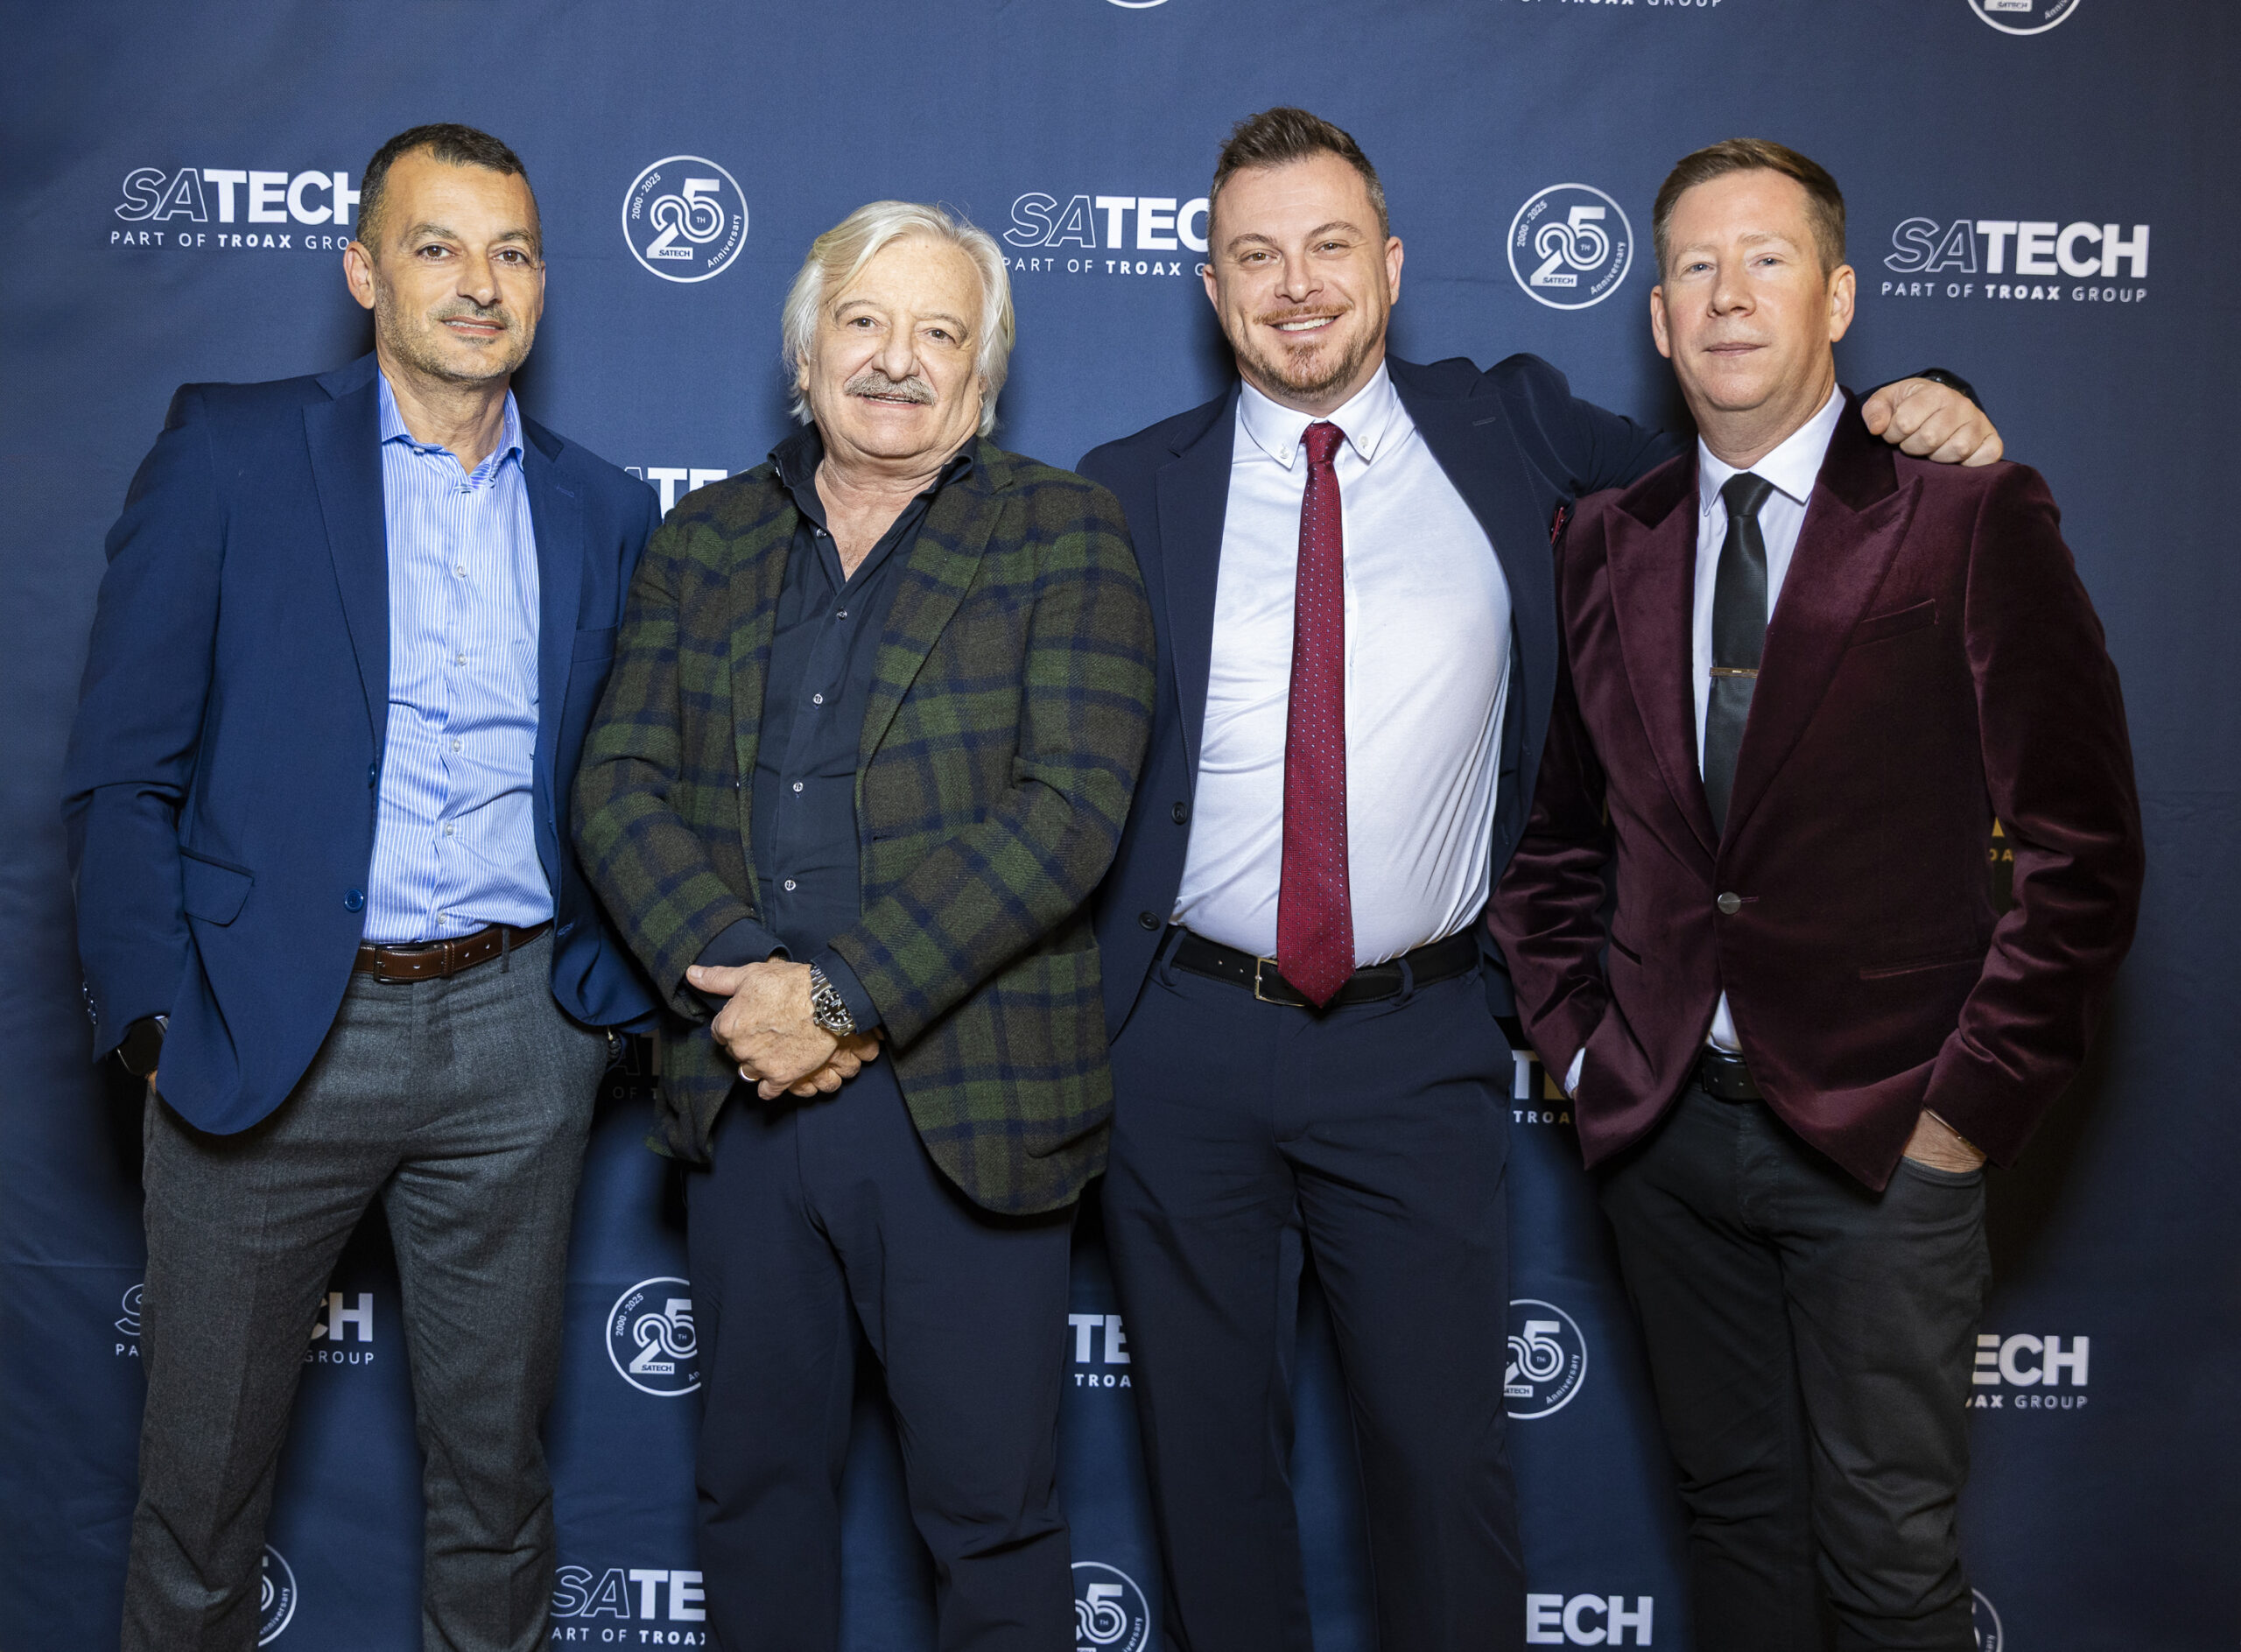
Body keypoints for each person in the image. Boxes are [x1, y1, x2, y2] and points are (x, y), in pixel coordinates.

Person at [1076, 107, 2006, 1652]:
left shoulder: (1515, 426)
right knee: (1206, 1464)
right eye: (1255, 255)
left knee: (1446, 1470)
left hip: (1420, 1041)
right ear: (1212, 287)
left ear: (1390, 264)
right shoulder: (1122, 484)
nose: (1295, 285)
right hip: (1175, 1038)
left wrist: (1932, 405)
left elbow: (1756, 453)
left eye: (1326, 248)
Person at [1486, 139, 2143, 1650]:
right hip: (1665, 1138)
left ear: (1837, 295)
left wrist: (1962, 1113)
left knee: (1892, 1567)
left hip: (1885, 1142)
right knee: (1739, 1536)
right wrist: (1587, 1055)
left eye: (1767, 260)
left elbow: (2084, 850)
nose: (1730, 297)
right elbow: (1558, 845)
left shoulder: (1969, 512)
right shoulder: (1607, 539)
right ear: (1654, 317)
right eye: (1697, 269)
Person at [62, 124, 661, 1652]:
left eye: (513, 252)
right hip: (267, 1036)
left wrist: (592, 1017)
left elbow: (621, 780)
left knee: (495, 1493)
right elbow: (123, 767)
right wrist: (150, 1019)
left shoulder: (602, 508)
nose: (481, 284)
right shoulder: (233, 447)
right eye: (439, 247)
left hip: (517, 1040)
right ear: (362, 271)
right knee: (198, 1505)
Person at [573, 200, 1156, 1652]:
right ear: (807, 349)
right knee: (754, 1500)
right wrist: (749, 988)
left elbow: (1068, 812)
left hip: (961, 1102)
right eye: (865, 323)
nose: (897, 361)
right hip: (743, 1087)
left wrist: (836, 997)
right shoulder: (700, 538)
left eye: (940, 333)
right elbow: (618, 781)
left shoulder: (1064, 530)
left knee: (992, 1517)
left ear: (985, 373)